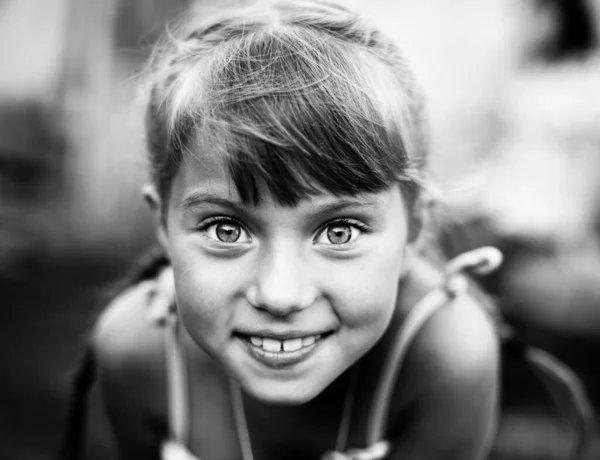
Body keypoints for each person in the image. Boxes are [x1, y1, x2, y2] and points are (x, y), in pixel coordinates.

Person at [93, 1, 501, 459]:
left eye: (339, 231)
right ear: (161, 224)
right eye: (226, 229)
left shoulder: (446, 358)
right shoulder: (137, 352)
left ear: (414, 229)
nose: (280, 294)